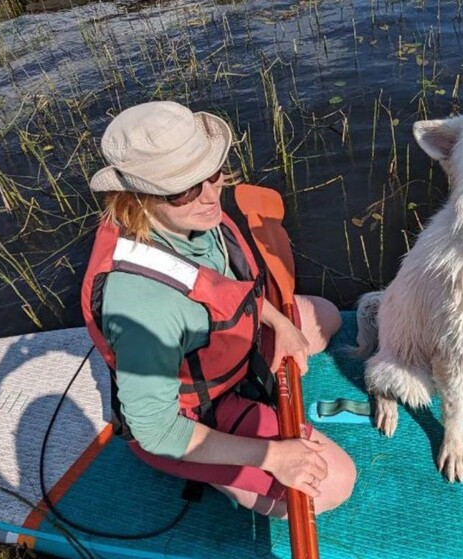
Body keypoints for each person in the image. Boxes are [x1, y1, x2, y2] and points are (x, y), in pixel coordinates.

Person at [80, 100, 356, 517]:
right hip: (196, 412)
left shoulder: (190, 217)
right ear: (135, 196)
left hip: (231, 354)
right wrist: (273, 458)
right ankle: (219, 475)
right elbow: (154, 429)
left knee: (325, 316)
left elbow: (220, 290)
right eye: (185, 188)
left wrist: (280, 321)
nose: (210, 196)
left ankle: (250, 419)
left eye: (212, 173)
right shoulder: (140, 307)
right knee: (334, 482)